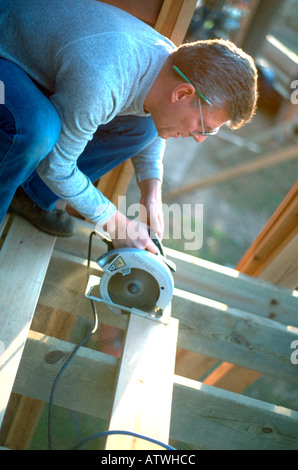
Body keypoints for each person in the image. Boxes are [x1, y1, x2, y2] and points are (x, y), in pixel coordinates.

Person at [0, 0, 258, 253]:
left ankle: (28, 196)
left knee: (143, 129)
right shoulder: (103, 81)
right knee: (36, 131)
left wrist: (151, 194)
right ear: (182, 94)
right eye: (204, 127)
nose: (200, 138)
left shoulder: (170, 64)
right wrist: (116, 224)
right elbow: (56, 166)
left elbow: (157, 122)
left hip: (37, 62)